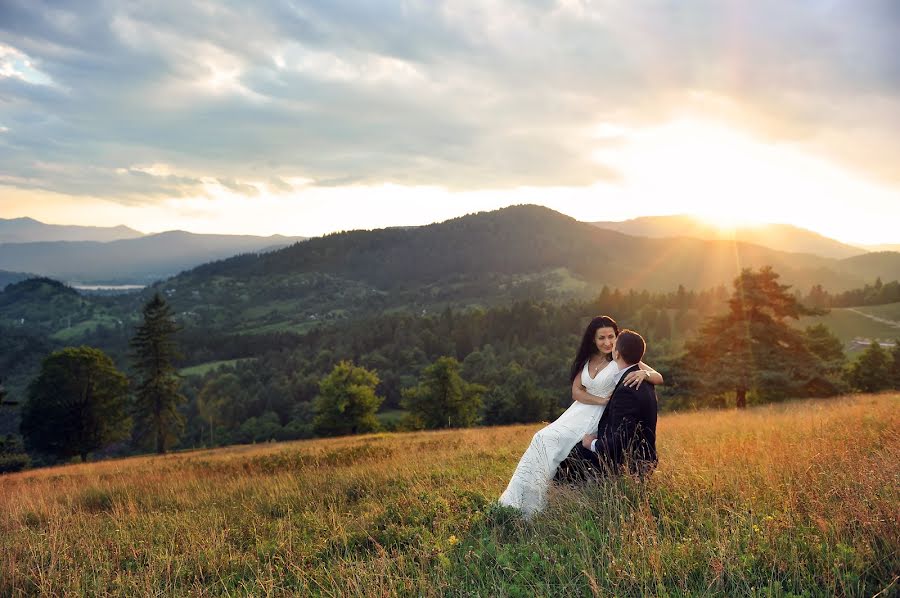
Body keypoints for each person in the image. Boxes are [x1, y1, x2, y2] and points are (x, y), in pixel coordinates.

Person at [498, 316, 663, 517]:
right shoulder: (587, 359)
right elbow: (576, 392)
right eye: (601, 338)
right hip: (579, 411)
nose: (607, 342)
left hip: (600, 416)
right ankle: (517, 500)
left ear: (617, 339)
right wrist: (601, 400)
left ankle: (537, 504)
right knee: (541, 439)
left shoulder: (619, 356)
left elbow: (657, 376)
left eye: (611, 337)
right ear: (593, 339)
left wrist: (645, 375)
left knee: (556, 447)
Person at [554, 329, 658, 483]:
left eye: (614, 345)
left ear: (617, 354)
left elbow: (621, 440)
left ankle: (573, 502)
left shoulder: (626, 390)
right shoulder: (642, 380)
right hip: (642, 455)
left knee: (565, 461)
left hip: (628, 462)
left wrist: (592, 443)